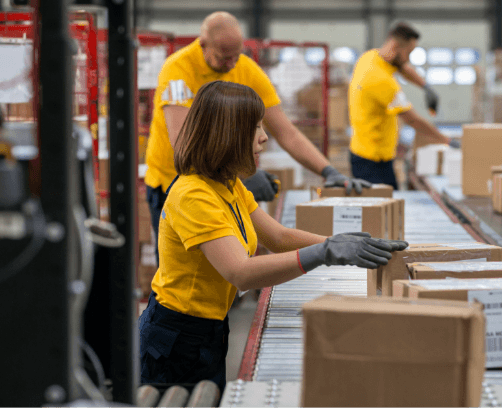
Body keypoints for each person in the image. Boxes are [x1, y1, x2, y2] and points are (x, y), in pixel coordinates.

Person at [139, 81, 408, 391]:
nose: (264, 137)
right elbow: (240, 273)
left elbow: (276, 236)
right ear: (227, 134)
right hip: (176, 338)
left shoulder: (227, 184)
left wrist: (340, 244)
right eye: (254, 128)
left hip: (208, 328)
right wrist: (324, 254)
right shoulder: (193, 195)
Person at [144, 11, 371, 265]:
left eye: (236, 55)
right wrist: (245, 173)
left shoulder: (246, 69)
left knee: (221, 267)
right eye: (223, 57)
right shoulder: (178, 70)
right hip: (172, 182)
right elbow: (183, 142)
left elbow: (288, 133)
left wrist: (328, 171)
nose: (232, 64)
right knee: (185, 265)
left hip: (221, 181)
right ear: (203, 44)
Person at [349, 22, 459, 190]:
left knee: (392, 203)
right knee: (382, 210)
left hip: (374, 155)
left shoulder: (370, 57)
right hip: (370, 162)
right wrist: (446, 141)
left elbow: (403, 67)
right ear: (395, 46)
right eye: (409, 52)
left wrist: (425, 86)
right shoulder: (381, 81)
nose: (409, 58)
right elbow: (413, 120)